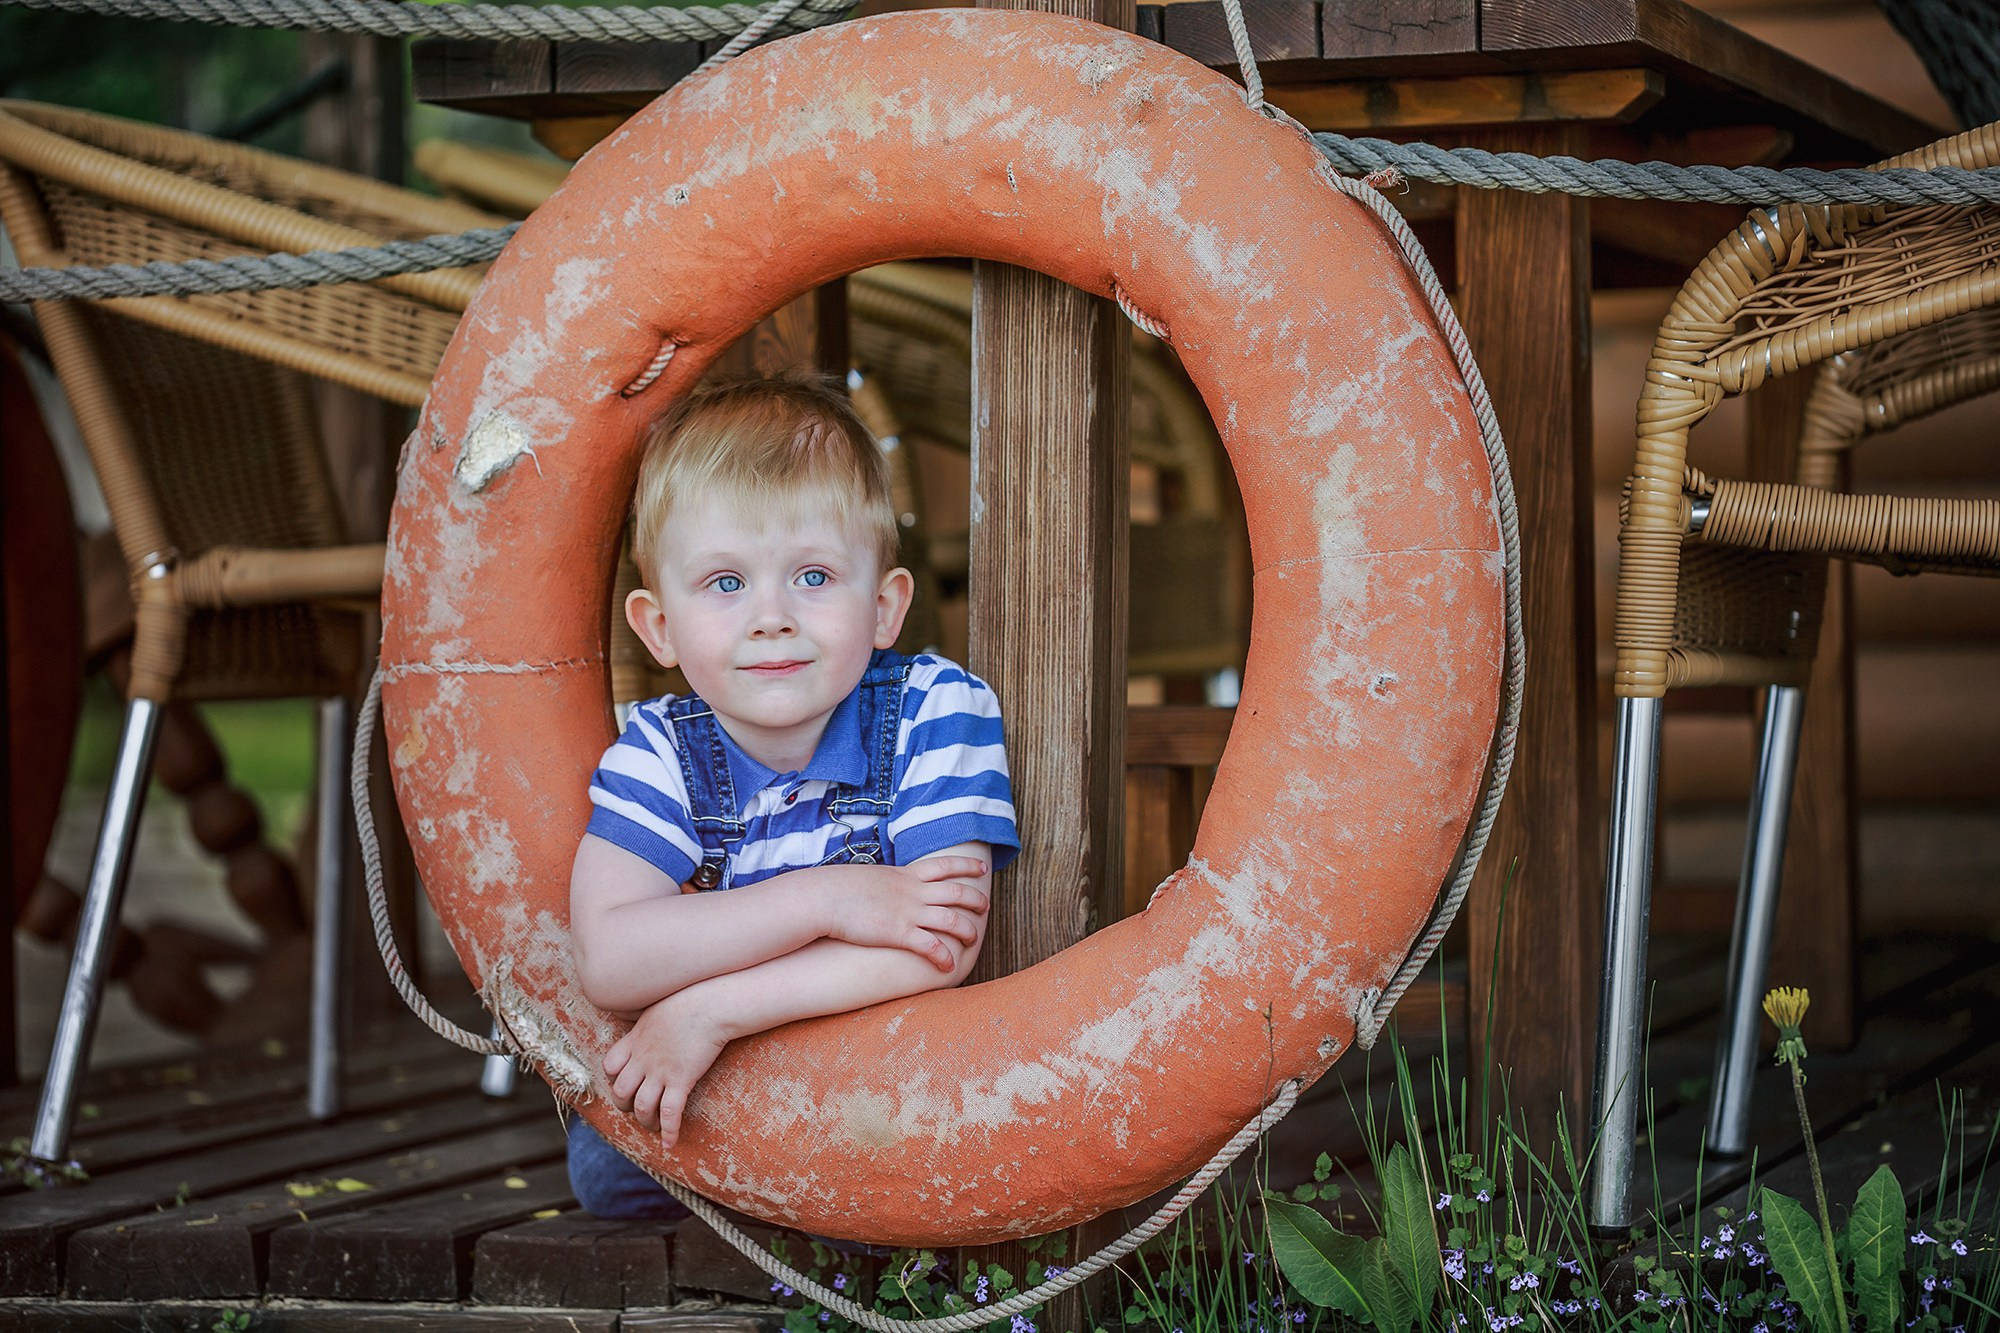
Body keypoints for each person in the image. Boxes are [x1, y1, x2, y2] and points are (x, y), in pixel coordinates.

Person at [566, 374, 1020, 1218]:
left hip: (890, 1079)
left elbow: (941, 944)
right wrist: (828, 898)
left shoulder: (936, 709)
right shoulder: (661, 748)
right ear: (657, 625)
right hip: (723, 1088)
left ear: (883, 607)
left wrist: (708, 1009)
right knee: (607, 1168)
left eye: (812, 576)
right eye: (726, 583)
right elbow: (610, 959)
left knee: (958, 1168)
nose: (771, 616)